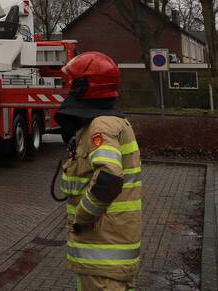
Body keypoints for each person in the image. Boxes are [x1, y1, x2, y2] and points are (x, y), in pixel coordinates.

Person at [55, 52, 142, 291]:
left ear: (84, 88)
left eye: (72, 84)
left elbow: (110, 178)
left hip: (102, 250)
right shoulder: (110, 121)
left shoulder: (100, 126)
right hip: (108, 250)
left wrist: (82, 217)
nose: (69, 89)